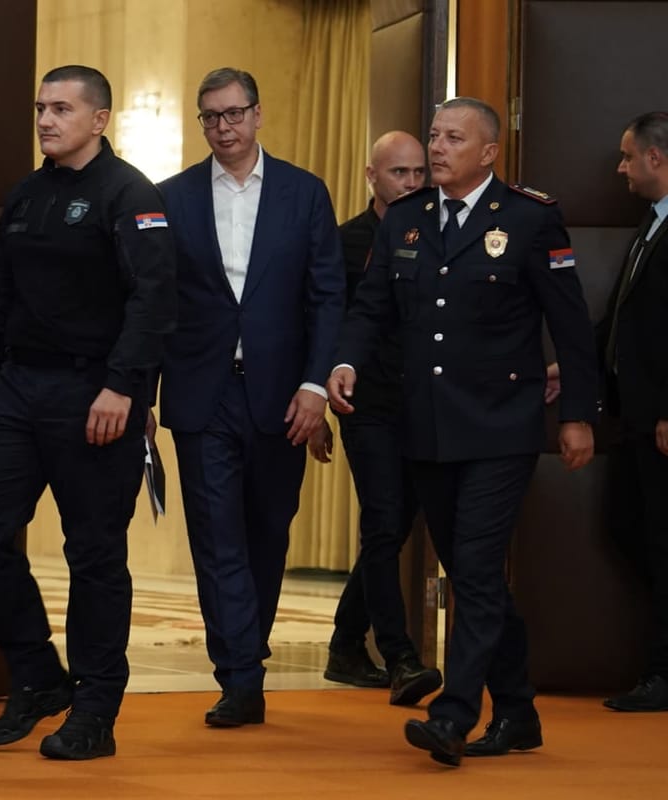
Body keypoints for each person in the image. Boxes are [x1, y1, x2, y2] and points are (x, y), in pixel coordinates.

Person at [328, 97, 598, 767]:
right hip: (426, 429)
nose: (438, 148)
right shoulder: (408, 221)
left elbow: (571, 327)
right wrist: (343, 360)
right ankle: (518, 711)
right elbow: (370, 307)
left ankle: (453, 714)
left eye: (453, 138)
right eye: (434, 135)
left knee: (474, 568)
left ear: (488, 153)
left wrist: (578, 417)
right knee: (473, 575)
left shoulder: (531, 219)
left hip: (502, 427)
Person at [0, 65, 175, 761]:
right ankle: (39, 676)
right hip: (18, 389)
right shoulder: (25, 195)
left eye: (62, 109)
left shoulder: (128, 193)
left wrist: (125, 388)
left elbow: (154, 297)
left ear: (100, 119)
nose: (46, 120)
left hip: (95, 394)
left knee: (95, 555)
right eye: (41, 107)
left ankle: (96, 711)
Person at [155, 67, 344, 727]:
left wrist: (316, 385)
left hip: (282, 397)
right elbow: (155, 303)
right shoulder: (171, 198)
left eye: (234, 114)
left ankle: (247, 647)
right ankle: (239, 676)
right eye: (210, 117)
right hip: (201, 395)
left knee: (267, 531)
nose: (223, 128)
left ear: (258, 115)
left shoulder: (304, 194)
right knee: (216, 537)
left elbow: (327, 298)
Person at [324, 132, 443, 707]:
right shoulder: (345, 242)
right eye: (400, 173)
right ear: (373, 177)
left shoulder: (443, 234)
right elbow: (326, 326)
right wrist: (315, 403)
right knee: (383, 519)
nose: (413, 184)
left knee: (392, 529)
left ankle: (346, 644)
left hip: (423, 405)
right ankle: (398, 656)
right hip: (364, 404)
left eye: (420, 172)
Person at [600, 111, 668, 712]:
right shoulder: (653, 223)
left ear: (656, 159)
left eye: (627, 156)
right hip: (635, 415)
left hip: (662, 418)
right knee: (629, 527)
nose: (619, 168)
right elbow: (627, 315)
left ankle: (662, 675)